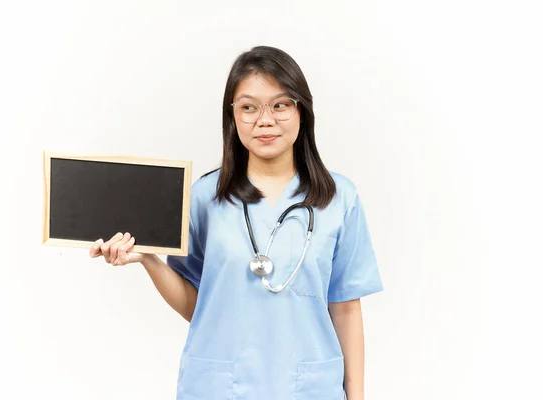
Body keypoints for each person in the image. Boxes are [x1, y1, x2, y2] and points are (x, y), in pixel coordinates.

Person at [89, 45, 384, 400]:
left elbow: (347, 309)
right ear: (232, 116)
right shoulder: (203, 198)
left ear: (301, 110)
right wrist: (148, 260)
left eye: (280, 104)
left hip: (309, 388)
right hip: (219, 387)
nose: (265, 119)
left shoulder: (339, 199)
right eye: (248, 107)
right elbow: (200, 306)